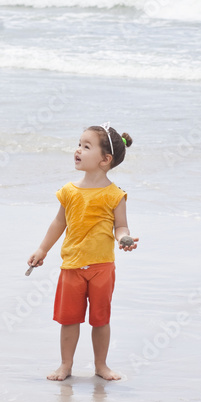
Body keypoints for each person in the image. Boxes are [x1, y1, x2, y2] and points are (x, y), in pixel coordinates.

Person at [27, 123, 138, 381]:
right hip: (72, 266)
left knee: (100, 320)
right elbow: (59, 223)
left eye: (86, 146)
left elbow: (120, 227)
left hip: (101, 267)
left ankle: (101, 366)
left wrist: (125, 239)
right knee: (69, 319)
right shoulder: (69, 191)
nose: (77, 150)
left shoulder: (115, 195)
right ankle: (66, 365)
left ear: (105, 159)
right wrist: (42, 249)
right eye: (79, 144)